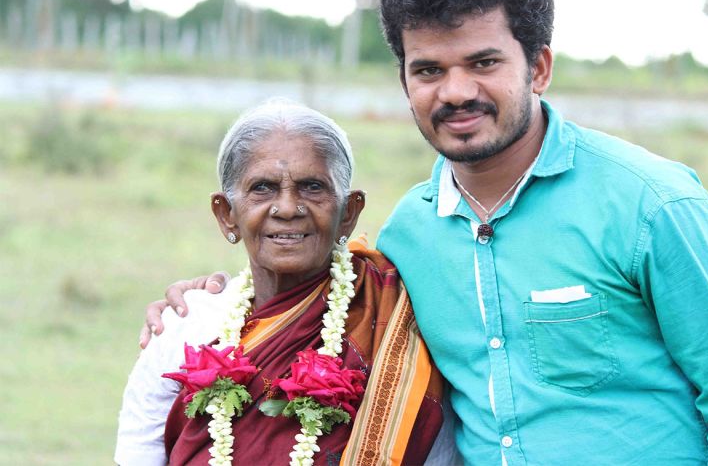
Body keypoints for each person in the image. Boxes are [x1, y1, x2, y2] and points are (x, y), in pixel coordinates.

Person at [142, 0, 708, 464]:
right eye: (428, 69)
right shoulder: (405, 240)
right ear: (403, 79)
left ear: (537, 66)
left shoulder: (653, 205)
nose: (455, 92)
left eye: (482, 63)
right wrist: (206, 302)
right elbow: (313, 303)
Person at [115, 100, 455, 465]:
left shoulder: (395, 328)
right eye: (263, 188)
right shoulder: (184, 327)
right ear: (226, 214)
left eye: (312, 187)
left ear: (349, 212)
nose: (289, 208)